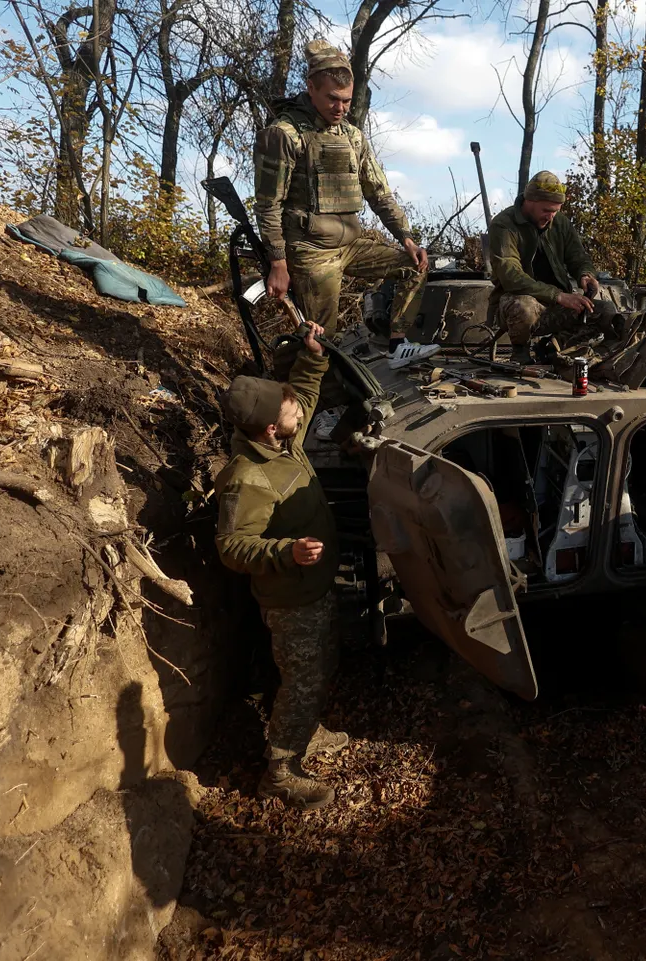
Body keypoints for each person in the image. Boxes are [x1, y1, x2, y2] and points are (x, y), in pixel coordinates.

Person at [215, 321, 349, 809]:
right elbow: (232, 546)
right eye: (290, 412)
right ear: (272, 427)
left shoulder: (278, 440)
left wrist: (311, 357)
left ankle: (306, 733)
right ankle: (281, 771)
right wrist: (285, 551)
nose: (300, 414)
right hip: (291, 599)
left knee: (322, 665)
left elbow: (305, 402)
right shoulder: (248, 477)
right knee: (301, 681)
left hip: (312, 584)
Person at [254, 39, 439, 370]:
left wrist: (406, 238)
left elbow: (379, 192)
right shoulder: (284, 134)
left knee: (416, 266)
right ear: (311, 88)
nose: (340, 108)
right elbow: (268, 206)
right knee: (325, 345)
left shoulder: (352, 136)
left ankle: (398, 345)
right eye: (332, 99)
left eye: (347, 101)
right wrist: (278, 263)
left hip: (351, 244)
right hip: (311, 252)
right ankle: (306, 410)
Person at [487, 170, 610, 364]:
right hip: (518, 306)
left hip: (557, 305)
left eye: (556, 210)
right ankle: (520, 353)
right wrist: (558, 296)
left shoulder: (559, 222)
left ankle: (554, 346)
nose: (551, 216)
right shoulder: (503, 225)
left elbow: (578, 257)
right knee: (523, 306)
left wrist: (585, 274)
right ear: (530, 201)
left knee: (606, 311)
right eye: (546, 210)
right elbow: (511, 277)